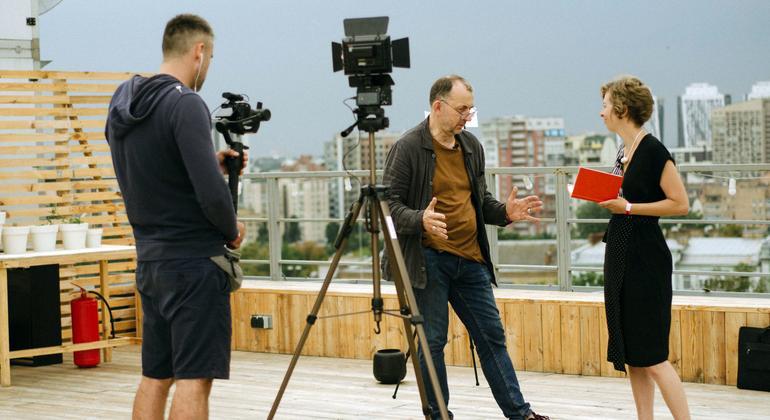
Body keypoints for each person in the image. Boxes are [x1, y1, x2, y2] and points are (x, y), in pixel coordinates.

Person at [382, 75, 548, 420]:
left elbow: (480, 201)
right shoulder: (408, 148)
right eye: (461, 110)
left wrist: (505, 212)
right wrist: (420, 220)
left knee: (492, 338)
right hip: (427, 261)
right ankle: (439, 415)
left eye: (470, 110)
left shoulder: (472, 146)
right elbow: (387, 208)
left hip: (470, 260)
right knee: (432, 344)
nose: (466, 117)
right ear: (438, 106)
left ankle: (520, 414)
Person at [105, 14, 246, 420]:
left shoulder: (123, 101)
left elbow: (152, 166)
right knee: (194, 378)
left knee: (156, 375)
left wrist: (210, 162)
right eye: (211, 56)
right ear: (198, 51)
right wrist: (230, 227)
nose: (209, 65)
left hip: (151, 262)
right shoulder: (185, 104)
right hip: (193, 264)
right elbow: (209, 194)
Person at [598, 76, 691, 420]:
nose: (601, 112)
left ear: (622, 109)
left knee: (652, 355)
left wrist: (630, 208)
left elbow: (680, 204)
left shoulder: (653, 150)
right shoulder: (624, 150)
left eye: (606, 105)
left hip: (645, 259)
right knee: (633, 355)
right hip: (621, 253)